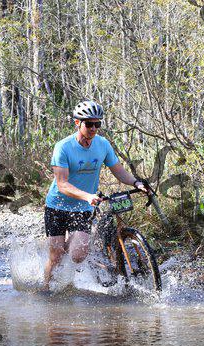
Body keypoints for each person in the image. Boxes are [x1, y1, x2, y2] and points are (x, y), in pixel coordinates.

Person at [42, 100, 149, 291]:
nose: (93, 128)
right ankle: (46, 289)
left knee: (78, 255)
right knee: (55, 256)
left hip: (83, 207)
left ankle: (68, 252)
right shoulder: (63, 147)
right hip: (57, 206)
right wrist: (87, 196)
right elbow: (62, 184)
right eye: (89, 124)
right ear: (77, 123)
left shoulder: (102, 144)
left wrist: (136, 183)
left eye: (97, 124)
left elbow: (119, 172)